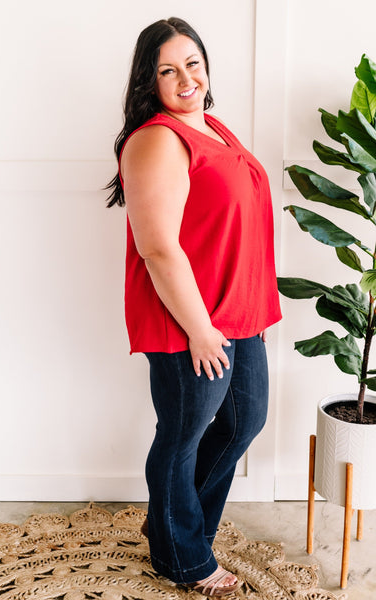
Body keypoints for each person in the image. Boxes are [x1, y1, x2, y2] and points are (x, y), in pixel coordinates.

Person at [106, 17, 282, 596]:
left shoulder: (213, 126)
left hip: (238, 312)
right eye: (167, 70)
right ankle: (184, 559)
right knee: (182, 437)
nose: (185, 78)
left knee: (242, 423)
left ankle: (172, 527)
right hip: (190, 320)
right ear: (147, 81)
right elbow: (157, 247)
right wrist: (200, 329)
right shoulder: (158, 138)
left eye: (193, 63)